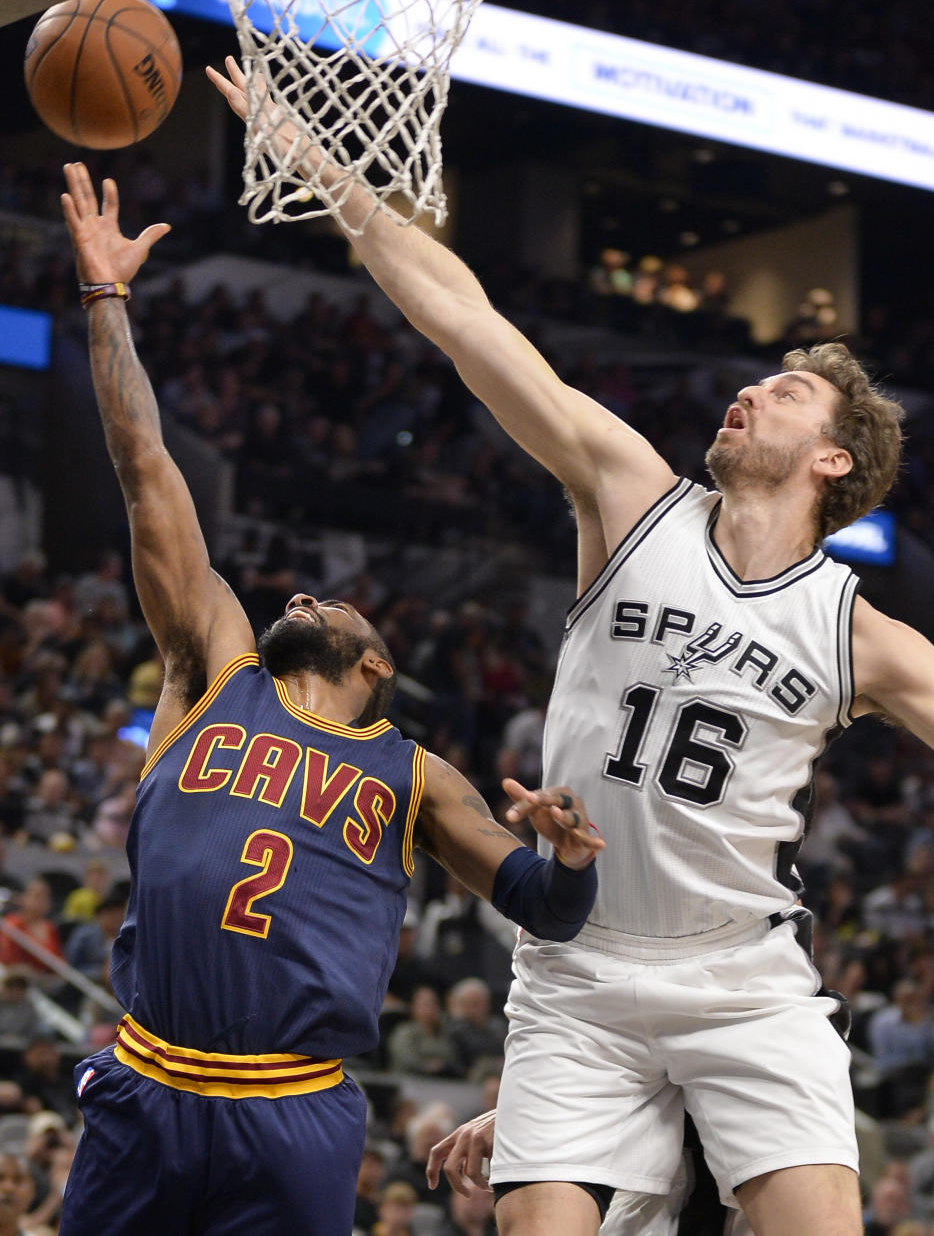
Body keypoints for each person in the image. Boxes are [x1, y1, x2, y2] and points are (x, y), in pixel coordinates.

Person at [208, 57, 934, 1236]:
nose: (747, 394)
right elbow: (468, 322)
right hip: (580, 972)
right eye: (754, 380)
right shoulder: (630, 495)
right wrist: (325, 172)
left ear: (835, 463)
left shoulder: (863, 632)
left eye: (782, 392)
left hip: (741, 977)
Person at [55, 162, 604, 1236]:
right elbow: (145, 469)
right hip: (150, 1082)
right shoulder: (213, 670)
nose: (303, 593)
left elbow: (544, 907)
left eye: (334, 601)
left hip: (293, 1108)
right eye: (301, 592)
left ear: (377, 666)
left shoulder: (415, 774)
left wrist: (574, 863)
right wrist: (105, 300)